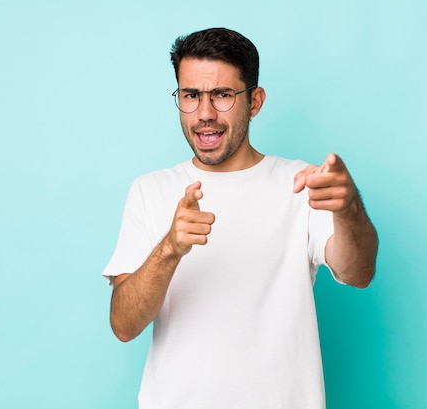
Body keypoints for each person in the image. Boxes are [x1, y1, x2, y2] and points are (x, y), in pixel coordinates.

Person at [102, 27, 378, 409]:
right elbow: (123, 325)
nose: (205, 114)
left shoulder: (301, 185)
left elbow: (358, 273)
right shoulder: (150, 190)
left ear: (255, 101)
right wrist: (169, 249)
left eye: (223, 95)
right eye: (191, 95)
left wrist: (348, 210)